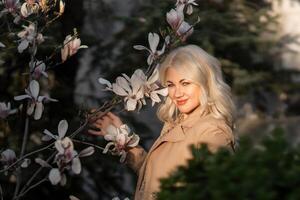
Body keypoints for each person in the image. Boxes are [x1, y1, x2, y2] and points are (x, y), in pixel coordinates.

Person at [88, 44, 236, 200]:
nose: (177, 93)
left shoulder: (211, 131)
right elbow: (155, 180)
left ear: (205, 83)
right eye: (171, 85)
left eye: (185, 83)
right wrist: (123, 139)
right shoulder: (176, 124)